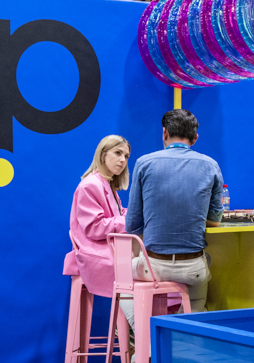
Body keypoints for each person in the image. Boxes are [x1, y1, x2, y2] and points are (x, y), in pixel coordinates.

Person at [125, 109, 224, 324]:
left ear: (164, 133)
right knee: (204, 267)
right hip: (193, 268)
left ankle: (145, 337)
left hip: (153, 267)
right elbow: (215, 221)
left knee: (121, 275)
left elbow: (132, 223)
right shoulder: (211, 166)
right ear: (195, 138)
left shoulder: (144, 163)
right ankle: (185, 328)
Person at [63, 135, 131, 298]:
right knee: (139, 267)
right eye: (118, 153)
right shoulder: (90, 185)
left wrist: (136, 213)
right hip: (97, 253)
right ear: (103, 155)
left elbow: (118, 213)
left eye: (126, 156)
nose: (123, 160)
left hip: (109, 249)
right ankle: (135, 321)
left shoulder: (107, 185)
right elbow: (96, 227)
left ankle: (134, 319)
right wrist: (130, 221)